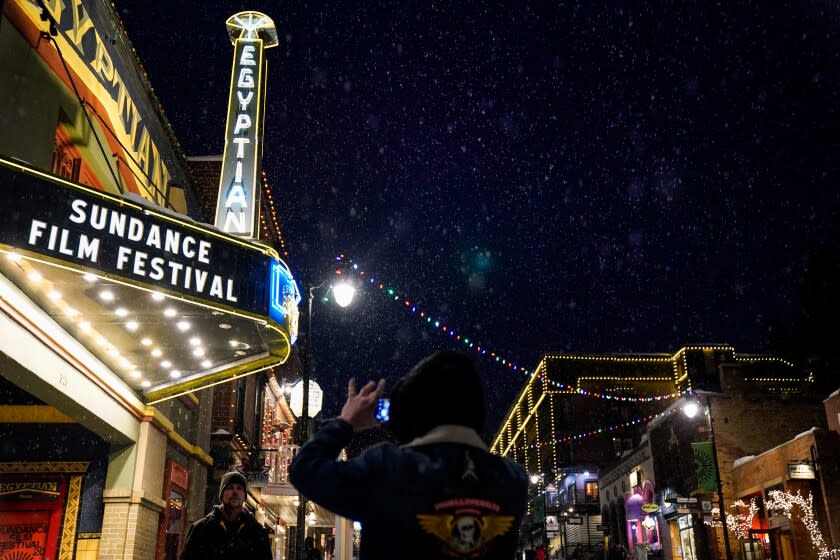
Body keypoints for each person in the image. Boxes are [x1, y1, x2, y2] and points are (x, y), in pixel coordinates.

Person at [289, 350, 529, 559]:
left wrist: (345, 422)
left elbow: (304, 468)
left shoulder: (388, 468)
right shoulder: (512, 480)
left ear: (413, 415)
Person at [179, 471, 271, 560]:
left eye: (239, 488)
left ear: (244, 496)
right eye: (230, 487)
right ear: (222, 494)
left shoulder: (258, 533)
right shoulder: (201, 529)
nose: (235, 492)